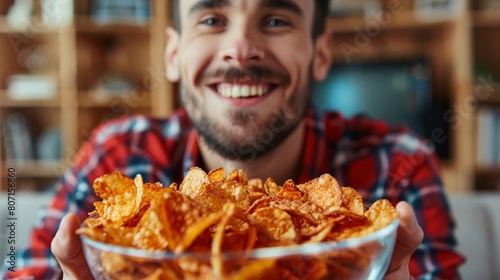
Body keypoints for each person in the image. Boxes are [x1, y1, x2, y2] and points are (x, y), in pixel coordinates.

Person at [3, 0, 464, 279]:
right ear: (173, 53)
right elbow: (28, 269)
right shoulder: (119, 153)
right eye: (210, 19)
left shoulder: (399, 164)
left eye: (277, 20)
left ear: (320, 54)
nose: (241, 49)